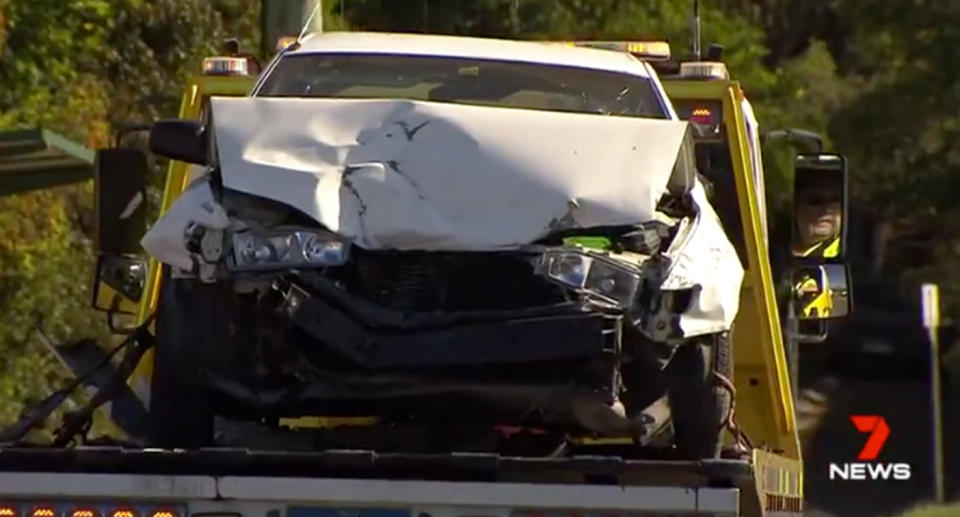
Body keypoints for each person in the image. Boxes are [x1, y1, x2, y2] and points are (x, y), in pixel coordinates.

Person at [792, 171, 842, 258]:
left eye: (834, 200)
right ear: (796, 207)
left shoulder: (847, 250)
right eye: (815, 201)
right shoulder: (772, 248)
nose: (827, 209)